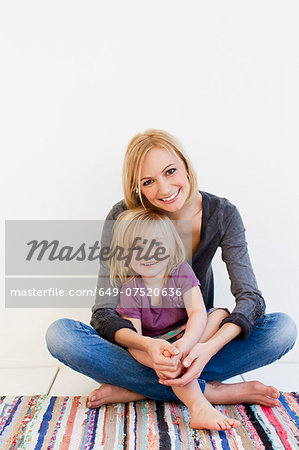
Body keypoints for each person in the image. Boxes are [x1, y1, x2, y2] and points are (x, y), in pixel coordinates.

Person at [46, 129, 296, 413]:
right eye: (149, 181)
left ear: (186, 166)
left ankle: (137, 388)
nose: (164, 189)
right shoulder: (124, 218)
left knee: (281, 331)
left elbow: (250, 299)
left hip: (194, 336)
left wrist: (206, 350)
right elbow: (103, 312)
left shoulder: (223, 215)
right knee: (61, 335)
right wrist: (151, 351)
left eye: (170, 171)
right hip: (141, 344)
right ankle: (209, 391)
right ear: (137, 186)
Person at [109, 207, 240, 430]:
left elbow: (198, 312)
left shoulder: (180, 271)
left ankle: (135, 390)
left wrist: (187, 344)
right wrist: (161, 360)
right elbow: (135, 341)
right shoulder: (131, 290)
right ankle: (200, 406)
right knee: (142, 352)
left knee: (219, 314)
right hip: (157, 347)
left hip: (190, 337)